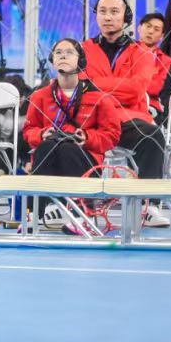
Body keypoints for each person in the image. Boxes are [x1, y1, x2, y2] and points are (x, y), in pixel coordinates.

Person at [82, 0, 169, 227]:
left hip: (128, 119)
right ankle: (82, 205)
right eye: (102, 11)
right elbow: (81, 87)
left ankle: (149, 206)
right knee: (74, 139)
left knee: (152, 136)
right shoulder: (82, 50)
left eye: (114, 11)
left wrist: (95, 85)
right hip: (93, 119)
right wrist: (114, 88)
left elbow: (136, 90)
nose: (108, 17)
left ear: (126, 17)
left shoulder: (143, 53)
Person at [24, 39, 122, 222]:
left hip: (85, 158)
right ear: (53, 60)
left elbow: (112, 135)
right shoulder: (39, 96)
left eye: (69, 52)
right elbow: (29, 130)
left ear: (81, 61)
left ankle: (79, 214)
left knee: (67, 148)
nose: (63, 56)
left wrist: (87, 137)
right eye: (58, 52)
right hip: (49, 153)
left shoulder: (99, 97)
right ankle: (35, 214)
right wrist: (41, 134)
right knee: (47, 147)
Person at [137, 12, 171, 120]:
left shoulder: (167, 62)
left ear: (162, 36)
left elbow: (156, 89)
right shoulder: (124, 52)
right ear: (139, 28)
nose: (151, 31)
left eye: (156, 29)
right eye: (148, 26)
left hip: (152, 108)